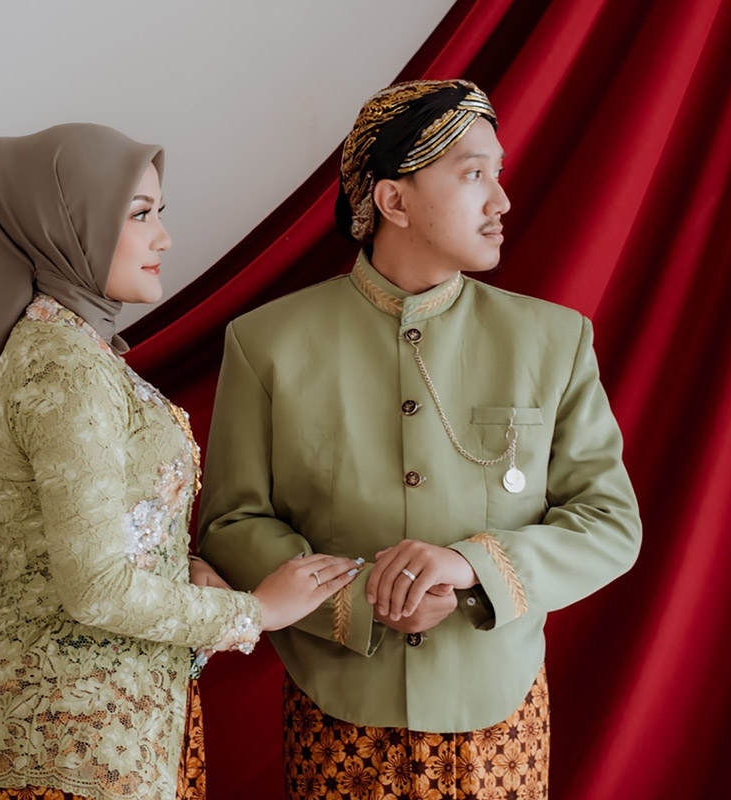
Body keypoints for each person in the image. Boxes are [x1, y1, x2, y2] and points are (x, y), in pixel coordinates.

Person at [197, 79, 642, 799]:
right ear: (393, 201)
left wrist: (471, 566)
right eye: (473, 174)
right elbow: (231, 523)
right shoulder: (266, 343)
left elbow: (609, 524)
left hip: (499, 715)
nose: (501, 201)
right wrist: (360, 597)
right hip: (337, 713)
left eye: (498, 173)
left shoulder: (553, 341)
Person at [0, 123, 358, 800]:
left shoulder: (75, 347)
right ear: (65, 225)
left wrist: (175, 565)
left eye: (159, 213)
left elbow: (97, 535)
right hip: (72, 738)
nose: (163, 238)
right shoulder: (64, 367)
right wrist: (256, 612)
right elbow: (96, 590)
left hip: (109, 724)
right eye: (139, 214)